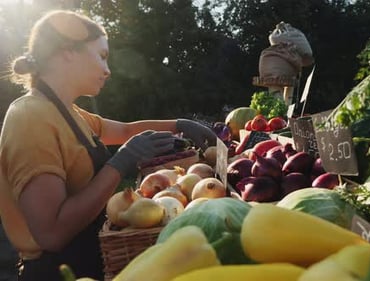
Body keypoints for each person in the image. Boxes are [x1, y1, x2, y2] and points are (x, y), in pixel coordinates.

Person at [0, 10, 217, 281]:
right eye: (101, 56)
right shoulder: (30, 117)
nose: (108, 70)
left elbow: (125, 130)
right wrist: (119, 163)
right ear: (68, 51)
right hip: (58, 271)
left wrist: (179, 124)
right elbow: (51, 234)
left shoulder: (70, 113)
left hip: (90, 260)